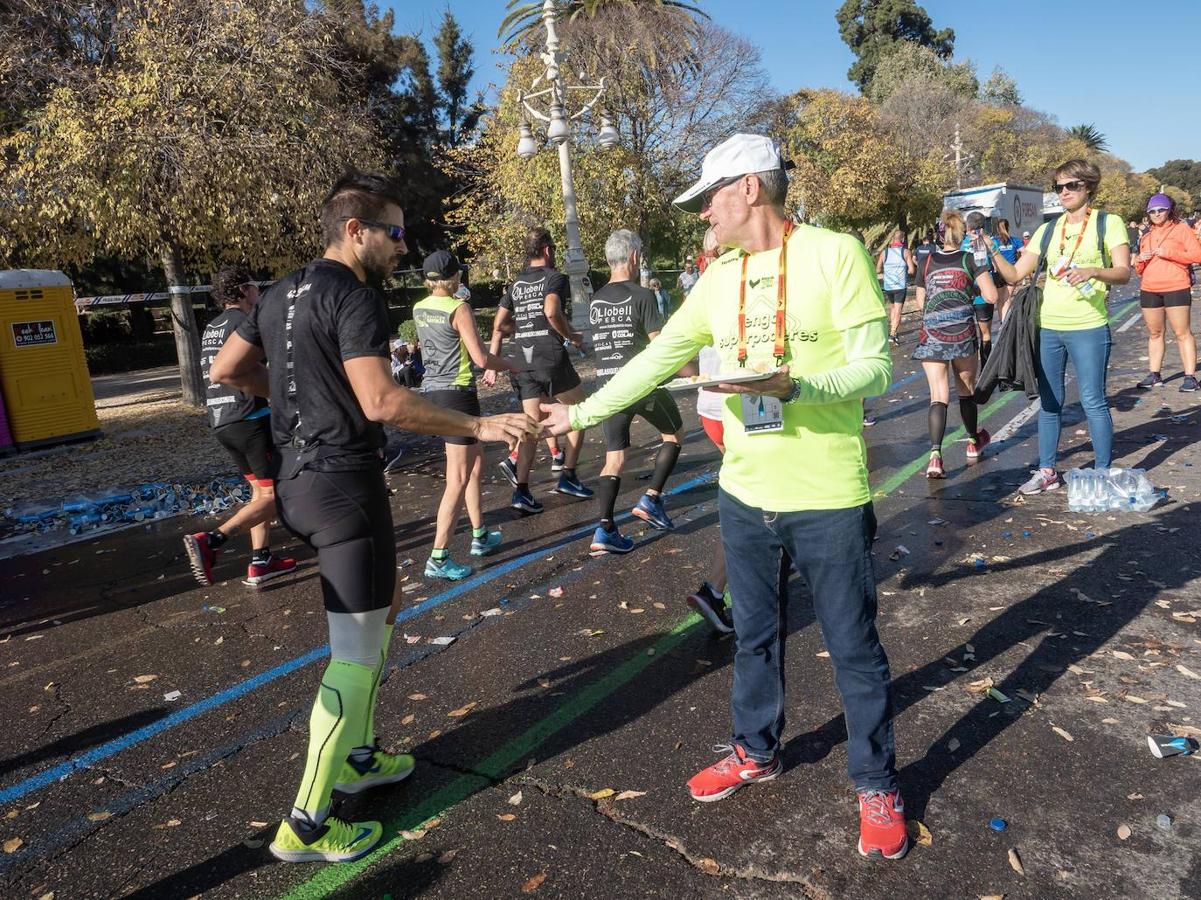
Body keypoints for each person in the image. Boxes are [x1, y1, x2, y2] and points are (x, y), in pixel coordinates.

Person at [541, 133, 907, 860]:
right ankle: (755, 749)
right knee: (754, 638)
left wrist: (796, 384)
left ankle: (875, 780)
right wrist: (577, 414)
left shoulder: (835, 254)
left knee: (852, 647)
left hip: (826, 494)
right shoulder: (718, 278)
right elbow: (655, 358)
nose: (701, 213)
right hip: (744, 493)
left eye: (708, 197)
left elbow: (874, 369)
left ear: (749, 189)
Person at [210, 170, 537, 864]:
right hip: (342, 487)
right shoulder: (354, 296)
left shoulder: (278, 292)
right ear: (353, 230)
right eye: (392, 232)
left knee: (383, 609)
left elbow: (228, 370)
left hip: (298, 481)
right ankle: (305, 823)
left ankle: (358, 755)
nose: (401, 245)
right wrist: (477, 430)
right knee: (353, 657)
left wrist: (304, 395)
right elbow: (385, 403)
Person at [988, 158, 1131, 494]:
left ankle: (1102, 473)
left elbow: (1124, 272)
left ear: (1089, 187)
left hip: (1089, 327)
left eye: (1071, 186)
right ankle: (1047, 471)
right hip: (1048, 328)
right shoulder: (1049, 230)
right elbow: (1015, 275)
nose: (1064, 192)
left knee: (1093, 400)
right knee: (1049, 403)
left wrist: (1094, 271)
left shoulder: (1108, 223)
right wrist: (992, 250)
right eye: (1059, 187)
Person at [184, 267, 297, 588]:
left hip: (223, 423)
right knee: (278, 493)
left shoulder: (212, 326)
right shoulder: (244, 322)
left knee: (259, 492)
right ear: (245, 290)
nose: (259, 295)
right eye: (256, 288)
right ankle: (212, 540)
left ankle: (261, 561)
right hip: (250, 419)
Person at [413, 250, 519, 580]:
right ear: (453, 278)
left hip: (433, 391)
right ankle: (439, 556)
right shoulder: (459, 308)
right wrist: (514, 364)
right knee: (458, 477)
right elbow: (481, 358)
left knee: (474, 466)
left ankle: (479, 535)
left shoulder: (420, 307)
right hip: (457, 393)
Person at [587, 230, 687, 555]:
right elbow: (658, 345)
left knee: (614, 458)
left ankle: (604, 530)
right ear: (633, 257)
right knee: (674, 435)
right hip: (641, 383)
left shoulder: (596, 299)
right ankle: (651, 499)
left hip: (608, 386)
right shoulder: (642, 295)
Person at [485, 227, 593, 512]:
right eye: (554, 249)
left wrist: (524, 327)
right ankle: (568, 475)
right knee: (581, 410)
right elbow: (551, 312)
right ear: (547, 249)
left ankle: (521, 491)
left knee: (531, 426)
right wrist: (570, 335)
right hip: (549, 355)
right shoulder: (555, 278)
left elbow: (499, 325)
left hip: (522, 359)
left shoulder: (516, 284)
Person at [914, 211, 998, 478]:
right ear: (962, 233)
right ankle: (973, 441)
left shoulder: (926, 261)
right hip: (962, 333)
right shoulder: (969, 259)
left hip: (933, 335)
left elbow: (920, 302)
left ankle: (935, 457)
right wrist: (969, 290)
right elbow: (991, 295)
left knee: (938, 395)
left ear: (940, 233)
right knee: (965, 389)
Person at [684, 343, 734, 634]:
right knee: (755, 499)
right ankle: (713, 590)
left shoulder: (701, 297)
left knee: (755, 491)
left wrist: (703, 374)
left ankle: (780, 556)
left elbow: (673, 354)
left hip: (709, 408)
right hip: (742, 408)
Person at [1133, 193, 1201, 391]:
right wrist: (1140, 260)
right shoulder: (1146, 235)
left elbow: (1197, 255)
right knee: (1155, 333)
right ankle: (1154, 374)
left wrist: (1170, 253)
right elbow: (1139, 270)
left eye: (1161, 209)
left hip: (1176, 286)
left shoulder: (1181, 229)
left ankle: (1190, 377)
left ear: (1169, 210)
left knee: (1182, 332)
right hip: (1149, 289)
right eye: (1152, 211)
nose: (1156, 214)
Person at [960, 212, 997, 366]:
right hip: (984, 294)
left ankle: (968, 370)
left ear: (967, 226)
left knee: (968, 334)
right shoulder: (990, 242)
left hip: (965, 294)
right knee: (986, 334)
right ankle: (986, 368)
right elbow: (996, 266)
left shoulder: (961, 243)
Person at [876, 228, 915, 346]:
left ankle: (894, 332)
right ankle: (892, 334)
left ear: (892, 239)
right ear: (902, 239)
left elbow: (877, 269)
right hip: (900, 286)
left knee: (893, 308)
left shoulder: (885, 252)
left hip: (888, 286)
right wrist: (904, 270)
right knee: (898, 310)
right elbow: (912, 270)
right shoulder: (906, 252)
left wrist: (888, 270)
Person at [990, 218, 1023, 323]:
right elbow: (1025, 253)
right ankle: (1006, 322)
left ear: (997, 229)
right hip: (1011, 272)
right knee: (1007, 298)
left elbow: (990, 255)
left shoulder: (994, 241)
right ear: (1008, 227)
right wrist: (1019, 265)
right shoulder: (1015, 240)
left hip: (998, 272)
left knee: (1000, 300)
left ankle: (1002, 323)